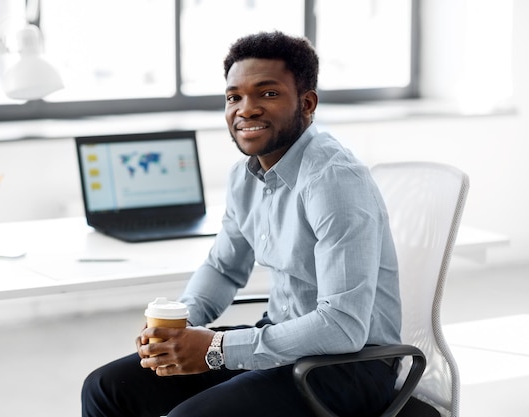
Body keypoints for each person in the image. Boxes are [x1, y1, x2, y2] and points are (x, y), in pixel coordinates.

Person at [81, 31, 401, 417]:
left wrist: (215, 349)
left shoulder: (333, 180)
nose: (245, 109)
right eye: (234, 96)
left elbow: (342, 327)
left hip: (352, 365)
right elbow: (223, 267)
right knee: (107, 388)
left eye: (267, 93)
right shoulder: (243, 177)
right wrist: (180, 327)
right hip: (285, 340)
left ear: (307, 103)